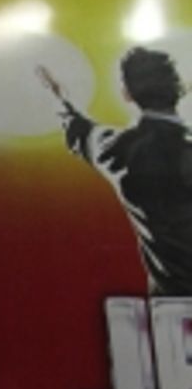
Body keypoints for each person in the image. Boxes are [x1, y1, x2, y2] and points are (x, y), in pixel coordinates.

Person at [40, 46, 192, 295]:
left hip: (167, 306)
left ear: (127, 94)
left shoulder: (117, 150)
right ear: (179, 88)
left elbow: (80, 131)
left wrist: (60, 98)